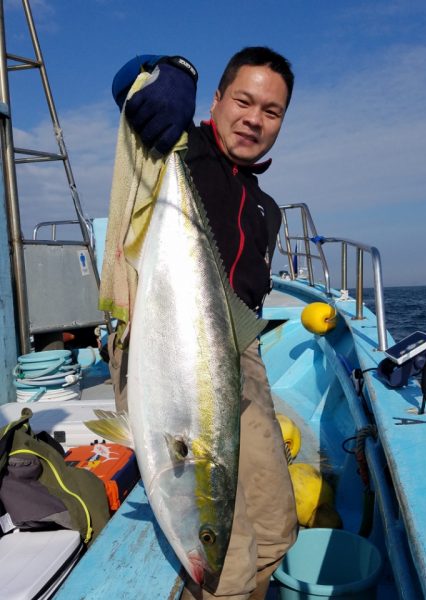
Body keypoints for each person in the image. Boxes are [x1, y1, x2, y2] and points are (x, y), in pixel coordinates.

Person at [105, 47, 298, 600]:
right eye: (243, 100)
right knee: (226, 566)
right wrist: (172, 70)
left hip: (237, 356)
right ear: (216, 100)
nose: (254, 118)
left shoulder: (269, 209)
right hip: (165, 345)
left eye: (272, 110)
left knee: (277, 532)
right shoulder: (178, 151)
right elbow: (131, 86)